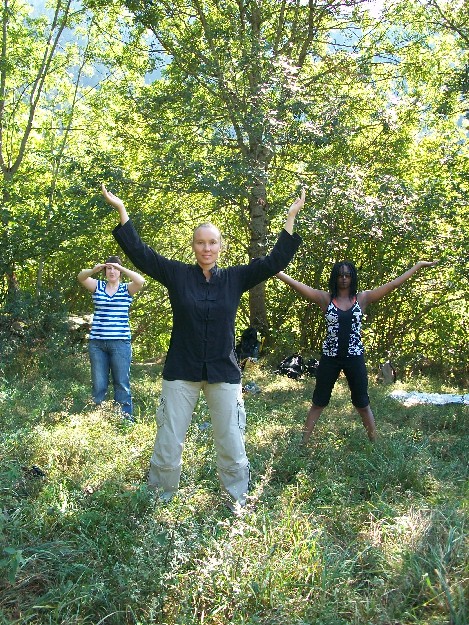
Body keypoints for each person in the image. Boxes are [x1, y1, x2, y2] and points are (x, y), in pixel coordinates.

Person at [102, 183, 305, 511]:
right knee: (168, 439)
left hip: (223, 372)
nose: (206, 248)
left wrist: (291, 218)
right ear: (193, 246)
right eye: (200, 242)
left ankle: (237, 500)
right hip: (181, 371)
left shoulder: (235, 278)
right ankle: (159, 498)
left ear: (220, 247)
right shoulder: (177, 274)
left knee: (231, 439)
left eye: (212, 242)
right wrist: (123, 211)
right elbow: (141, 253)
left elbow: (272, 262)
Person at [276, 259, 438, 443]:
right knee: (318, 402)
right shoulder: (325, 299)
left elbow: (394, 284)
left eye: (347, 275)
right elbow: (297, 285)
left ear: (352, 277)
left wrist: (418, 266)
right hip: (330, 358)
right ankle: (302, 443)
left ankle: (375, 442)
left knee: (362, 403)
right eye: (340, 275)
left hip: (354, 358)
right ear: (335, 278)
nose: (344, 279)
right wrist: (277, 272)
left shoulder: (362, 298)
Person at [77, 256, 145, 421]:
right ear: (105, 271)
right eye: (109, 268)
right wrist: (94, 270)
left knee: (121, 382)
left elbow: (141, 281)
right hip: (97, 344)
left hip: (120, 343)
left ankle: (125, 418)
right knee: (99, 383)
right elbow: (81, 277)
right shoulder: (98, 286)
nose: (112, 271)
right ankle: (97, 418)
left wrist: (121, 268)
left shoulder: (126, 289)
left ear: (120, 271)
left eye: (115, 268)